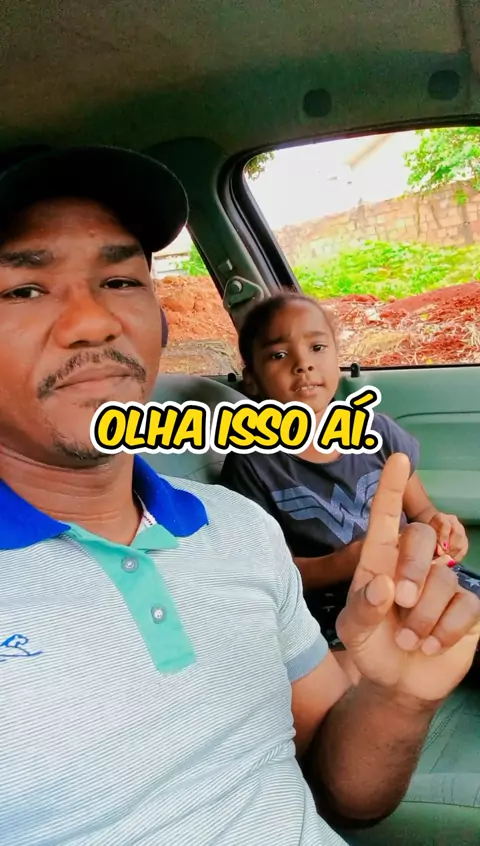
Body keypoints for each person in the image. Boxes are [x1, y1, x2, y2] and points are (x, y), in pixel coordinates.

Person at [0, 145, 478, 846]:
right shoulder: (257, 477)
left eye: (121, 280)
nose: (94, 321)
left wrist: (396, 696)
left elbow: (344, 796)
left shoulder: (240, 529)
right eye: (23, 290)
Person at [220, 293, 478, 677]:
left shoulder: (377, 431)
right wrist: (346, 561)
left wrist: (442, 526)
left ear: (336, 358)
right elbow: (275, 572)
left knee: (464, 613)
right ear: (253, 380)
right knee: (356, 665)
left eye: (317, 347)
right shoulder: (251, 463)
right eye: (278, 355)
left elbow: (423, 511)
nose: (303, 363)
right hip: (333, 601)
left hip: (411, 573)